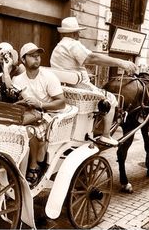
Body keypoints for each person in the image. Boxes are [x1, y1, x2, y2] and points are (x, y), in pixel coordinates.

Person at [50, 16, 137, 146]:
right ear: (74, 33)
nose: (79, 34)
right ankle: (106, 135)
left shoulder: (58, 47)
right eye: (78, 31)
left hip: (65, 90)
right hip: (80, 90)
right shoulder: (73, 44)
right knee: (111, 100)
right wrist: (121, 62)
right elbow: (92, 57)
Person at [13, 42, 66, 187]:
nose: (37, 58)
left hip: (48, 115)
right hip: (28, 114)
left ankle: (34, 166)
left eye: (38, 56)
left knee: (29, 131)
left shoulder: (48, 77)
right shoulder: (17, 80)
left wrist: (40, 104)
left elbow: (61, 103)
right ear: (23, 60)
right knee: (11, 129)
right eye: (32, 56)